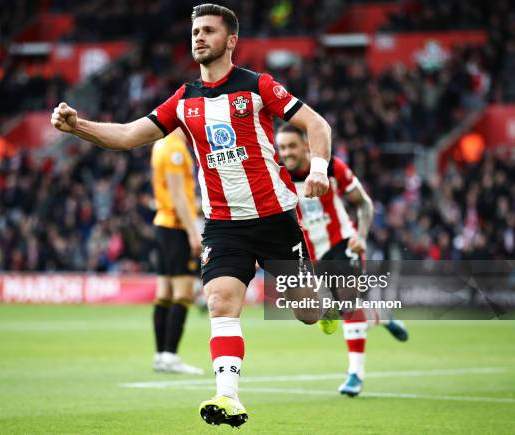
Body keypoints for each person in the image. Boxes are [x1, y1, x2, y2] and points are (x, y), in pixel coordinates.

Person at [51, 4, 332, 427]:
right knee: (221, 303)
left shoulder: (259, 87)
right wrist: (78, 126)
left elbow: (317, 125)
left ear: (230, 40)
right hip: (223, 224)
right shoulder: (184, 100)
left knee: (307, 312)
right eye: (195, 31)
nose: (198, 38)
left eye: (209, 31)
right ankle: (227, 397)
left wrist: (318, 168)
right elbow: (129, 135)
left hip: (275, 217)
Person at [276, 124, 408, 398]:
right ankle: (380, 316)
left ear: (306, 145)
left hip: (343, 242)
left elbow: (365, 204)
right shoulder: (278, 176)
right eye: (282, 147)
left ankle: (355, 376)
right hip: (310, 253)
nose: (286, 152)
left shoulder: (331, 168)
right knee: (325, 310)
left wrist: (360, 236)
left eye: (291, 146)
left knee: (347, 302)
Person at [150, 128, 203, 375]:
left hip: (162, 223)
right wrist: (193, 232)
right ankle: (171, 355)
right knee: (183, 294)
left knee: (164, 293)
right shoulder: (176, 150)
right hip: (176, 226)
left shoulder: (160, 145)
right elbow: (178, 194)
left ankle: (161, 355)